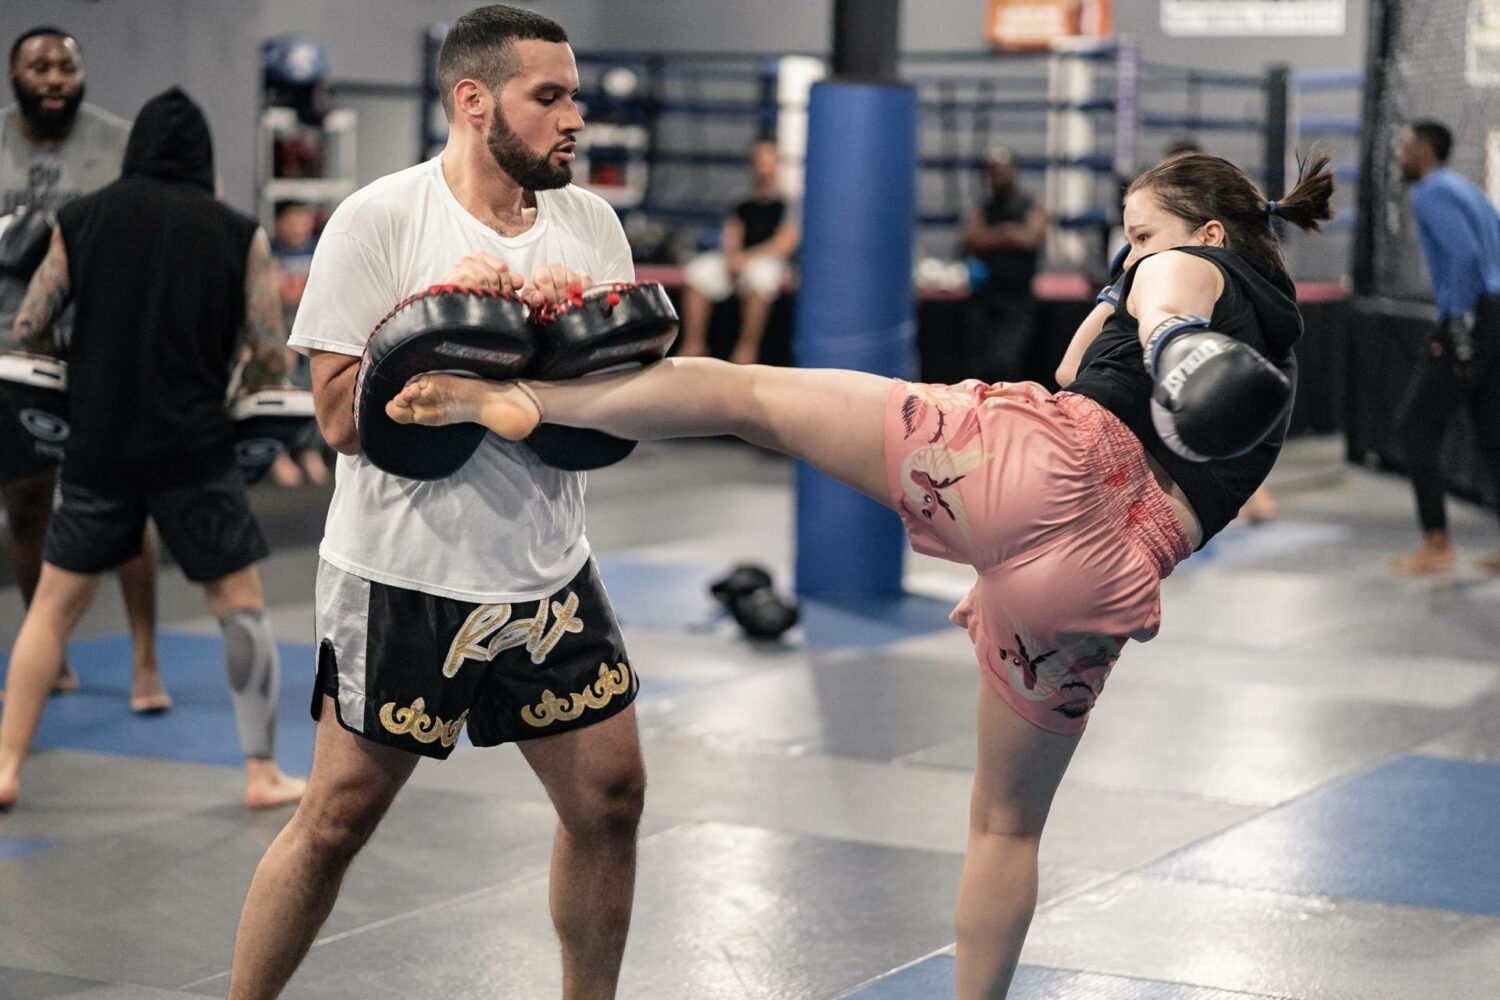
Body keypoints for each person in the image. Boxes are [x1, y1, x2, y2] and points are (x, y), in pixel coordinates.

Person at [389, 151, 1332, 999]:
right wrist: (1130, 289)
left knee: (750, 397)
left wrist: (1165, 328)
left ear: (1210, 232)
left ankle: (527, 398)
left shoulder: (1195, 271)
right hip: (1107, 580)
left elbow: (1153, 302)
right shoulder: (1279, 364)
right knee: (1006, 827)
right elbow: (1090, 348)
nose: (1133, 252)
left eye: (1141, 232)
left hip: (1047, 469)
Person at [228, 8, 646, 998]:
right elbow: (338, 419)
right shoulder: (379, 219)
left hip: (547, 573)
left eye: (575, 96)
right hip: (403, 577)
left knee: (610, 798)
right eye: (549, 97)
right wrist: (441, 319)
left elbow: (619, 404)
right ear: (473, 101)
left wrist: (555, 333)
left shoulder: (592, 226)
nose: (574, 118)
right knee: (336, 818)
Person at [0, 88, 305, 811]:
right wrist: (238, 380)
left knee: (51, 609)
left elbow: (31, 325)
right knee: (239, 605)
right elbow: (270, 354)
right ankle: (262, 773)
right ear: (202, 156)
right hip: (194, 448)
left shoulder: (81, 219)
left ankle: (5, 766)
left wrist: (85, 363)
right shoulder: (238, 233)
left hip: (99, 446)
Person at [0, 25, 167, 710]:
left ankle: (145, 660)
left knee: (124, 503)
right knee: (27, 502)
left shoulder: (118, 143)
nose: (53, 79)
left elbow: (154, 228)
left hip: (102, 349)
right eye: (39, 67)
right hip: (11, 354)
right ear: (15, 76)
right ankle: (52, 653)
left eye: (65, 68)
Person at [1389, 120, 1500, 575]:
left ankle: (1437, 543)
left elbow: (1463, 257)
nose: (1401, 154)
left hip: (1471, 321)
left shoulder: (1432, 191)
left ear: (1426, 150)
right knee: (1492, 432)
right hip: (1494, 317)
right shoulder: (1467, 189)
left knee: (1415, 427)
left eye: (1407, 146)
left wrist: (1458, 326)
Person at [674, 136, 798, 364]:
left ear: (777, 161)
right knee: (697, 273)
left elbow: (785, 243)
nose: (762, 164)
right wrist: (732, 257)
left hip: (768, 260)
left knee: (761, 279)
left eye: (767, 159)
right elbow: (732, 232)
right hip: (738, 258)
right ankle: (693, 344)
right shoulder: (741, 199)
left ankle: (746, 350)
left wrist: (747, 258)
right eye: (758, 159)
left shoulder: (788, 201)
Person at [960, 146, 1045, 383]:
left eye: (1003, 169)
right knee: (979, 364)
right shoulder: (982, 206)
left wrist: (993, 236)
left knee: (1006, 362)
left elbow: (1030, 238)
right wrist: (1009, 233)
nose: (998, 175)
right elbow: (972, 239)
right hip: (984, 297)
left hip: (1018, 298)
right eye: (992, 170)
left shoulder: (1030, 204)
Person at [265, 199, 329, 487]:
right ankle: (278, 454)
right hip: (279, 337)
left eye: (303, 219)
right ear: (279, 222)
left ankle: (310, 451)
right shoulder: (267, 252)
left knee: (317, 389)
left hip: (313, 332)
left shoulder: (320, 249)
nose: (298, 226)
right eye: (292, 219)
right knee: (280, 393)